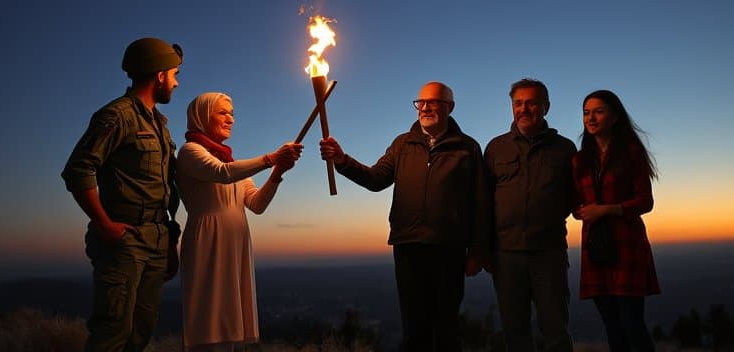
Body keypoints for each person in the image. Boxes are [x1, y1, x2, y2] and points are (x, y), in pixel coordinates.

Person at [319, 81, 490, 352]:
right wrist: (342, 160)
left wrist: (478, 251)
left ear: (450, 107)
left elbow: (481, 202)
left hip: (449, 248)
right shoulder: (402, 144)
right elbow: (375, 179)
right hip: (407, 247)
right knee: (414, 327)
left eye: (433, 102)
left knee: (446, 327)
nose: (425, 107)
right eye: (421, 102)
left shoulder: (467, 148)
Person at [61, 37, 183, 351]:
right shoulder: (117, 116)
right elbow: (78, 169)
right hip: (124, 240)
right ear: (159, 76)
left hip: (156, 238)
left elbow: (166, 185)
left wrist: (169, 238)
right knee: (112, 333)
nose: (176, 83)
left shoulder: (160, 124)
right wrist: (104, 223)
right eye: (174, 74)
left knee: (140, 332)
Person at [176, 92, 303, 351]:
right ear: (201, 116)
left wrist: (277, 173)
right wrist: (270, 159)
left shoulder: (231, 161)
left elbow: (257, 204)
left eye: (232, 113)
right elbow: (221, 174)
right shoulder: (190, 152)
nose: (231, 119)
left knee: (229, 325)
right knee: (209, 322)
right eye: (223, 112)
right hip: (208, 243)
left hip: (235, 245)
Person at [483, 78, 576, 352]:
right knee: (515, 333)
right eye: (517, 103)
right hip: (505, 255)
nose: (523, 109)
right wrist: (483, 249)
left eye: (531, 103)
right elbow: (483, 202)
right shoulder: (496, 148)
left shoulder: (564, 149)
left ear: (545, 107)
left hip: (549, 253)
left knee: (556, 331)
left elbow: (576, 195)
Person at [572, 90, 660, 351]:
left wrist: (607, 210)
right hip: (595, 247)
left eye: (599, 111)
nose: (591, 118)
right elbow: (575, 202)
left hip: (626, 245)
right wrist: (582, 211)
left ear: (615, 116)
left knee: (632, 323)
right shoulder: (579, 159)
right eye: (587, 113)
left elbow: (646, 201)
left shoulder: (630, 152)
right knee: (612, 325)